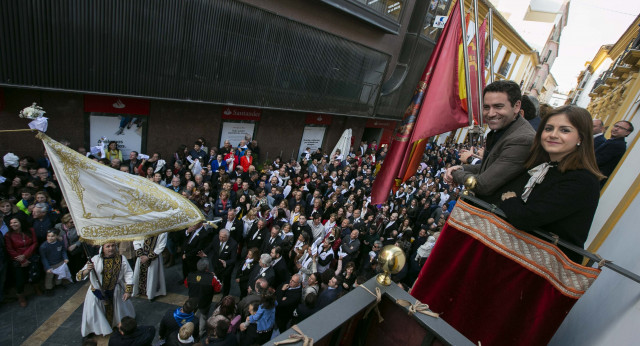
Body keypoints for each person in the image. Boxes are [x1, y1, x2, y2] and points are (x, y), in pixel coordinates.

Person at [500, 105, 605, 262]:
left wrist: (510, 199)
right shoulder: (550, 167)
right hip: (526, 257)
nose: (553, 135)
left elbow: (526, 218)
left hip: (544, 267)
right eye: (548, 128)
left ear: (580, 138)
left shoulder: (582, 180)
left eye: (564, 130)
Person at [444, 80, 536, 204]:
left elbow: (483, 185)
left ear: (517, 106)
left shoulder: (523, 139)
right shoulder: (503, 128)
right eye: (486, 107)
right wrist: (461, 167)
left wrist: (456, 174)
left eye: (498, 106)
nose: (491, 113)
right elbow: (488, 168)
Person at [77, 242, 135, 337]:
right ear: (102, 248)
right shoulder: (95, 260)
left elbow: (128, 274)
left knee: (119, 312)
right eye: (107, 246)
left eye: (112, 246)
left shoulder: (121, 258)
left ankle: (117, 324)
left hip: (115, 291)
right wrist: (87, 270)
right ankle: (97, 329)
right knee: (96, 315)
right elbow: (79, 276)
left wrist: (128, 290)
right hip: (97, 293)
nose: (111, 248)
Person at [5, 217, 39, 307]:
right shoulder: (8, 235)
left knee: (34, 274)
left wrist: (25, 255)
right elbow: (10, 249)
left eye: (15, 222)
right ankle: (21, 296)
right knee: (20, 280)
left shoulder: (30, 230)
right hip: (18, 259)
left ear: (21, 222)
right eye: (11, 223)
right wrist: (22, 260)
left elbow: (35, 243)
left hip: (30, 256)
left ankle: (36, 287)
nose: (13, 225)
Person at [185, 258, 222, 339]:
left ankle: (187, 329)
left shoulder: (190, 275)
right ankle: (200, 333)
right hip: (205, 301)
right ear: (207, 268)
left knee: (190, 314)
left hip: (192, 300)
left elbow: (186, 285)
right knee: (203, 317)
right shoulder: (212, 278)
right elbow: (218, 288)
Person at [595, 120, 633, 185]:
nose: (616, 129)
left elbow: (597, 160)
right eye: (616, 126)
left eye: (621, 128)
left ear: (627, 133)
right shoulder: (613, 141)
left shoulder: (617, 145)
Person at [203, 228, 238, 297]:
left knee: (226, 281)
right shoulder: (216, 238)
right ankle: (217, 290)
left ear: (228, 237)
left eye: (223, 237)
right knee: (217, 277)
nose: (221, 239)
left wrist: (226, 262)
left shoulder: (233, 244)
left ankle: (225, 295)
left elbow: (234, 259)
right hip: (216, 263)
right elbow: (211, 246)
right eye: (220, 236)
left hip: (227, 267)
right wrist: (204, 252)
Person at [132, 233, 167, 300]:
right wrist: (141, 254)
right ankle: (139, 290)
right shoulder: (143, 227)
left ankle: (151, 293)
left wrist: (148, 257)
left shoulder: (162, 230)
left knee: (152, 276)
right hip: (141, 257)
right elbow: (136, 241)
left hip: (153, 258)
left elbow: (161, 246)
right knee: (139, 273)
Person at [40, 229, 71, 295]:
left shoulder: (59, 243)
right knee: (49, 277)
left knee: (59, 275)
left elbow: (63, 251)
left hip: (60, 262)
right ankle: (49, 288)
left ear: (57, 236)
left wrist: (65, 258)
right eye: (48, 236)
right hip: (50, 265)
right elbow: (43, 258)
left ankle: (58, 284)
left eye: (52, 236)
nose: (50, 238)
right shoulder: (43, 246)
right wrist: (47, 267)